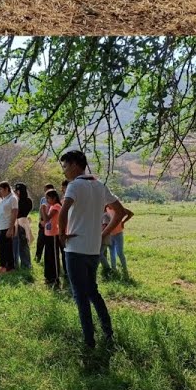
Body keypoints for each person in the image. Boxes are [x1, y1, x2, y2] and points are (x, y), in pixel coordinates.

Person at [59, 149, 134, 349]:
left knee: (80, 296)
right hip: (93, 249)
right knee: (93, 292)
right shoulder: (100, 185)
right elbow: (120, 212)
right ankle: (108, 332)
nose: (64, 171)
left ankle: (89, 341)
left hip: (75, 249)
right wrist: (103, 234)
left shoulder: (74, 186)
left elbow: (63, 210)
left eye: (65, 166)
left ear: (75, 165)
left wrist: (62, 234)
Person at [0, 181, 17, 273]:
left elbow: (15, 213)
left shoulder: (12, 198)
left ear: (6, 189)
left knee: (8, 248)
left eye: (0, 189)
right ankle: (2, 265)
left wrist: (10, 228)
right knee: (1, 248)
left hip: (7, 227)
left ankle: (10, 268)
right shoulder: (1, 199)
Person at [43, 189, 63, 288]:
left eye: (48, 198)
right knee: (48, 256)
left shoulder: (57, 206)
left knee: (54, 257)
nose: (46, 200)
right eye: (46, 198)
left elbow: (47, 218)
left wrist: (43, 209)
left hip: (54, 235)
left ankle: (55, 278)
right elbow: (45, 221)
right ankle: (48, 276)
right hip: (48, 234)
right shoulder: (50, 206)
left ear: (54, 198)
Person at [105, 203, 132, 273]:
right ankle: (114, 269)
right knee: (112, 252)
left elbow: (131, 213)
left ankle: (125, 269)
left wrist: (123, 222)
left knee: (120, 252)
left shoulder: (118, 209)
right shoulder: (106, 208)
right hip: (110, 234)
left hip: (118, 233)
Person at [14, 182, 34, 270]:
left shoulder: (26, 201)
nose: (16, 192)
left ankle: (26, 264)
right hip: (16, 223)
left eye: (17, 190)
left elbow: (20, 211)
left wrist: (17, 199)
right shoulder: (17, 200)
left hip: (22, 223)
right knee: (16, 245)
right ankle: (17, 263)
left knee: (23, 245)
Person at [36, 183, 53, 263]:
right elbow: (40, 210)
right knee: (40, 240)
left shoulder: (53, 200)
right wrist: (40, 220)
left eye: (46, 190)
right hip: (42, 221)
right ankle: (37, 256)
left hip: (49, 222)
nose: (45, 192)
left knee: (48, 241)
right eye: (44, 190)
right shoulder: (43, 199)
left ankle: (49, 259)